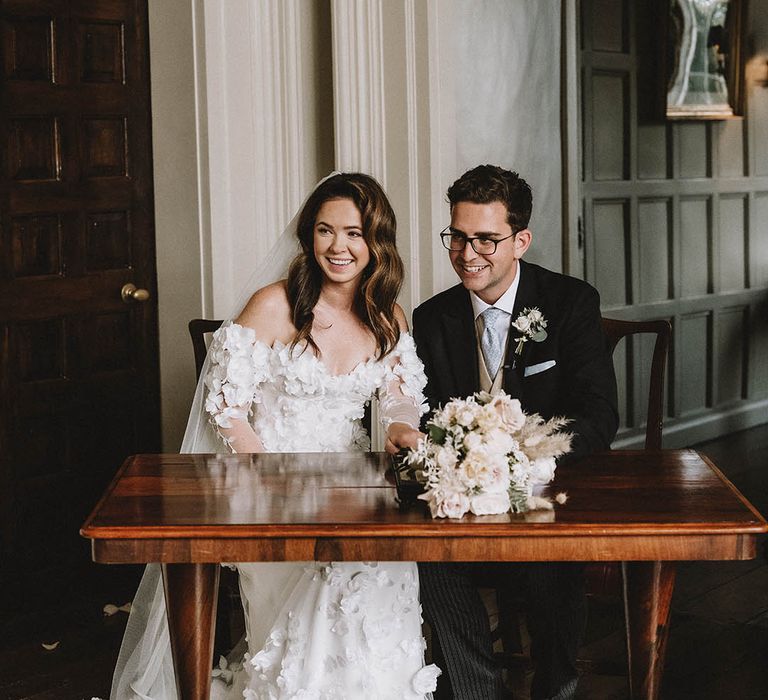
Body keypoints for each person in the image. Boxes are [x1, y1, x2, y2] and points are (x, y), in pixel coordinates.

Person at [111, 173, 439, 699]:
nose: (339, 247)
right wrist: (275, 482)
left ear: (376, 242)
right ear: (309, 236)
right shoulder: (274, 306)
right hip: (271, 491)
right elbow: (228, 411)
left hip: (356, 490)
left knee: (383, 569)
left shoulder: (386, 315)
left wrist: (402, 427)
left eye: (354, 233)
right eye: (326, 231)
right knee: (324, 586)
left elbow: (399, 397)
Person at [412, 164, 619, 700]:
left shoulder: (571, 302)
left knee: (553, 565)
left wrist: (532, 465)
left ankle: (556, 689)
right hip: (462, 501)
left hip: (548, 495)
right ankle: (478, 690)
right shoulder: (431, 319)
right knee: (428, 561)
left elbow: (598, 415)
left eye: (486, 239)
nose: (466, 253)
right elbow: (427, 417)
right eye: (456, 236)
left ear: (521, 240)